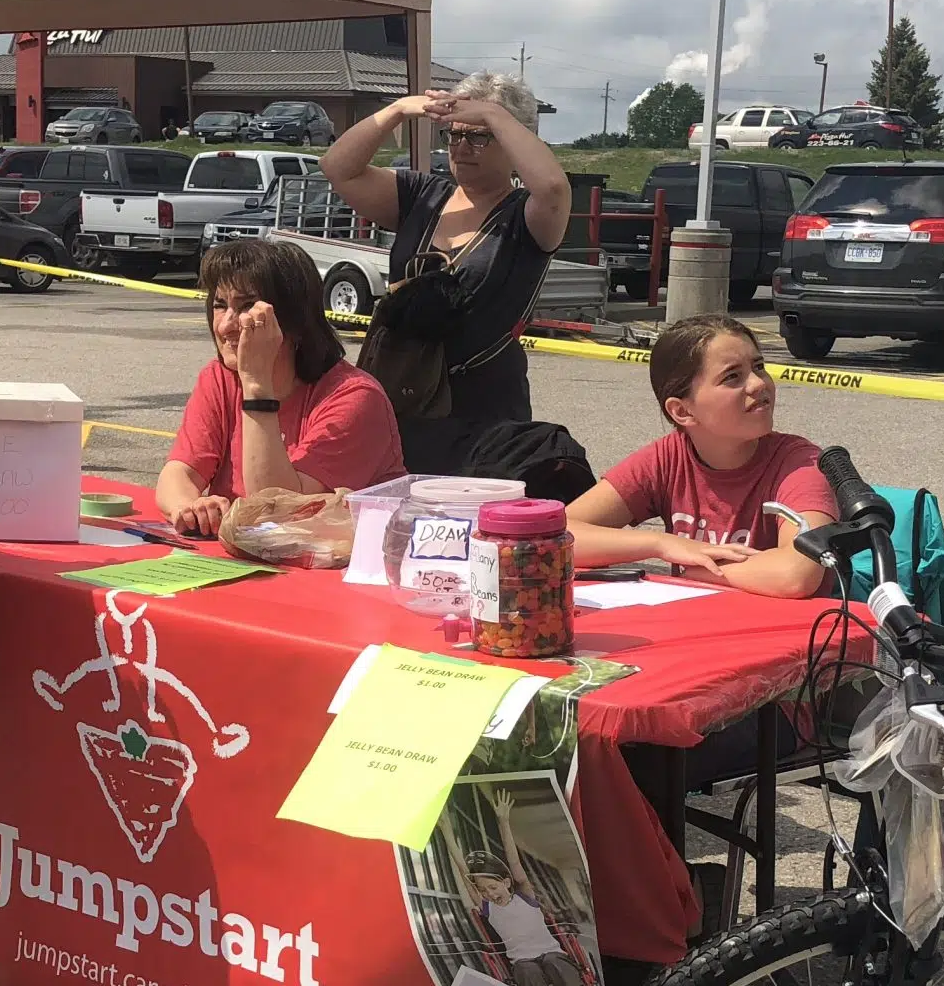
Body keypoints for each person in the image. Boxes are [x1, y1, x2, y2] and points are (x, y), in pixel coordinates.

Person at [318, 73, 572, 473]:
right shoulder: (421, 195)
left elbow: (554, 188)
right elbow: (338, 168)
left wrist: (491, 112)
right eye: (453, 135)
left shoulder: (528, 214)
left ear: (512, 139)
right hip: (402, 395)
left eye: (480, 136)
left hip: (484, 411)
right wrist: (399, 110)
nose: (462, 147)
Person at [565, 315, 837, 597]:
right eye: (733, 376)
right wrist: (661, 544)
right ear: (682, 411)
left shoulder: (800, 463)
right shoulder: (668, 457)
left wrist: (699, 571)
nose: (759, 384)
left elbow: (798, 573)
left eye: (759, 367)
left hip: (796, 634)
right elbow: (552, 538)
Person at [155, 234, 405, 538]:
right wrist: (190, 508)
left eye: (247, 306)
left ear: (296, 321)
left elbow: (279, 513)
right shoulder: (219, 378)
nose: (224, 325)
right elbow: (178, 472)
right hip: (244, 557)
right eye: (220, 305)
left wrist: (256, 385)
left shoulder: (356, 397)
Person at [464, 808, 597, 986]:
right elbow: (466, 874)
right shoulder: (489, 909)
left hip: (551, 953)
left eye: (493, 886)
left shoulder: (525, 896)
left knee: (555, 963)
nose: (489, 893)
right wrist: (446, 833)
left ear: (506, 882)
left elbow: (515, 863)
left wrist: (504, 822)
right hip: (522, 962)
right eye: (483, 890)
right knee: (528, 972)